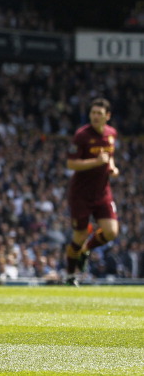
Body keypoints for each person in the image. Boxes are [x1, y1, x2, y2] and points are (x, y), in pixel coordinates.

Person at [65, 97, 119, 286]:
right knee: (78, 236)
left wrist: (112, 167)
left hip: (102, 191)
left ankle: (87, 250)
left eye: (99, 113)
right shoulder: (82, 135)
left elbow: (109, 157)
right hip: (81, 194)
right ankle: (70, 276)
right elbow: (71, 163)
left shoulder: (112, 134)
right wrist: (97, 162)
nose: (95, 116)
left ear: (107, 116)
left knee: (112, 232)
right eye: (93, 113)